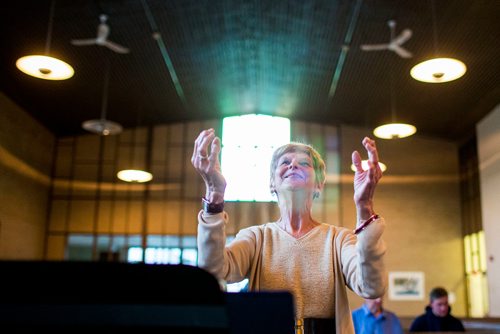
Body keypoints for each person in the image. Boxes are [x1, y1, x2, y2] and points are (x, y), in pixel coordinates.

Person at [191, 128, 387, 334]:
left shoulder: (339, 239)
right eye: (285, 162)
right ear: (272, 183)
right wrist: (214, 195)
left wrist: (364, 208)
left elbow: (371, 287)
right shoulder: (256, 238)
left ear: (319, 185)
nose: (293, 165)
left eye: (304, 163)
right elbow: (213, 271)